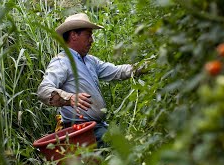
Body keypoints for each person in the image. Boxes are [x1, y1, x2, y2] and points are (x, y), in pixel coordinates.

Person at [37, 13, 145, 148]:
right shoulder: (62, 62)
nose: (92, 40)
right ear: (74, 35)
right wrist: (69, 98)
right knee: (123, 149)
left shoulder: (90, 61)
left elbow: (117, 71)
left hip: (95, 126)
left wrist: (144, 67)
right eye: (88, 35)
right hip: (79, 129)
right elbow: (43, 90)